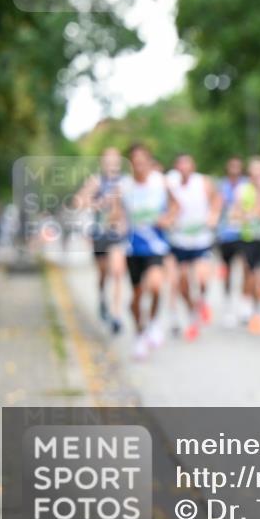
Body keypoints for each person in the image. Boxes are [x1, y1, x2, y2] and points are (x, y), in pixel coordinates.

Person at [119, 143, 178, 359]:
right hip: (133, 248)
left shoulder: (160, 182)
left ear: (149, 162)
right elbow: (117, 214)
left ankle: (153, 323)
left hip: (156, 246)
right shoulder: (124, 187)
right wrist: (118, 223)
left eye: (142, 162)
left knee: (155, 285)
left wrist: (168, 219)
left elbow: (176, 205)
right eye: (135, 162)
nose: (139, 166)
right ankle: (140, 334)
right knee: (135, 299)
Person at [166, 153, 221, 341]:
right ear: (176, 168)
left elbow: (217, 200)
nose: (183, 169)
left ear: (193, 166)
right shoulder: (170, 183)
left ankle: (202, 301)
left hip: (201, 241)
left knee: (202, 279)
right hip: (179, 241)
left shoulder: (203, 182)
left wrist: (213, 215)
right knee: (181, 283)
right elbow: (166, 205)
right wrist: (168, 219)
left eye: (187, 165)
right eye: (180, 165)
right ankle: (191, 313)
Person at [74, 147, 128, 335]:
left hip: (117, 234)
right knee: (104, 273)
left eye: (115, 160)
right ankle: (102, 298)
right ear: (102, 162)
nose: (112, 163)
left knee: (117, 271)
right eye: (108, 160)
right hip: (99, 234)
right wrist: (97, 204)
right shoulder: (96, 181)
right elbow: (78, 201)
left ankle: (116, 314)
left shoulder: (125, 182)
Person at [230, 156, 260, 334]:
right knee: (249, 274)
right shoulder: (243, 190)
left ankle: (258, 306)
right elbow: (235, 213)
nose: (257, 177)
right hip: (248, 237)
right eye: (254, 174)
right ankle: (248, 304)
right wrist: (247, 215)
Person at [216, 156, 248, 326]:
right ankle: (228, 304)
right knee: (227, 271)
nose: (234, 169)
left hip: (243, 234)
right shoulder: (222, 186)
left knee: (244, 268)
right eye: (232, 166)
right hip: (225, 234)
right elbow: (216, 207)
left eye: (237, 166)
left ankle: (243, 304)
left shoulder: (246, 185)